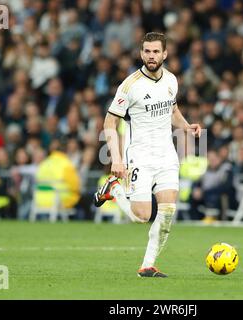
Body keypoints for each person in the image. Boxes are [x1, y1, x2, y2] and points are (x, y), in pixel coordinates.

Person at [93, 32, 202, 277]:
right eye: (146, 51)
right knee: (142, 216)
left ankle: (147, 265)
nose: (151, 56)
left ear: (165, 54)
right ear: (141, 53)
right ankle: (114, 189)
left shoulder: (172, 80)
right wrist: (117, 160)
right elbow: (109, 124)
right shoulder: (129, 85)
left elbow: (172, 110)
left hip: (166, 155)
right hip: (139, 155)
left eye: (155, 52)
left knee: (167, 212)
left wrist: (186, 126)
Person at [35, 140, 81, 217]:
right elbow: (75, 186)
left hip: (39, 199)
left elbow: (37, 180)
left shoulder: (44, 163)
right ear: (66, 152)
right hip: (60, 199)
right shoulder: (67, 164)